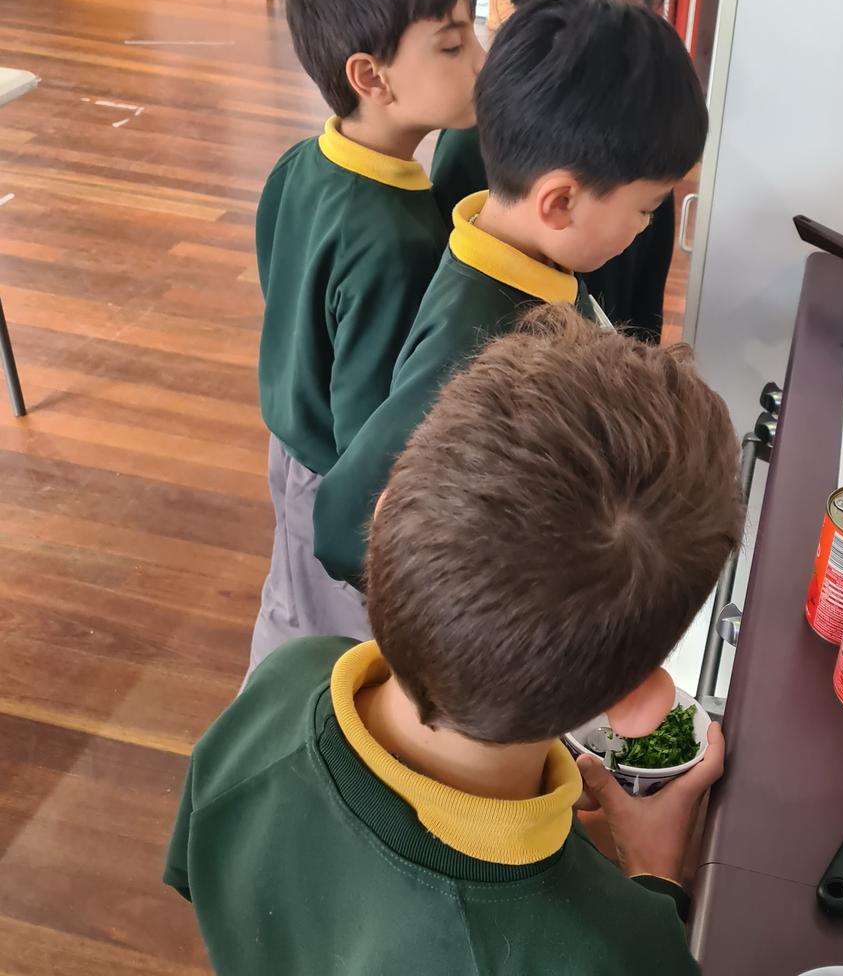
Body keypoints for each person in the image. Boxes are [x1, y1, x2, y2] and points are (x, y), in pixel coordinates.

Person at [165, 306, 745, 975]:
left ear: (383, 517)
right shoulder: (618, 949)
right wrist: (654, 878)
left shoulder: (280, 686)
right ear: (641, 706)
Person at [312, 0, 708, 582]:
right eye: (646, 209)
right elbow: (344, 525)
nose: (647, 227)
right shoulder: (474, 343)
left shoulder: (536, 261)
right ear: (560, 202)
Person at [249, 0, 485, 669]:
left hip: (289, 441)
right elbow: (369, 433)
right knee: (335, 648)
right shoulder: (397, 240)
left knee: (291, 600)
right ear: (371, 76)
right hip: (335, 479)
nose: (480, 60)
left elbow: (277, 275)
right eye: (453, 45)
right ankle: (289, 730)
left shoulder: (299, 162)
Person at [431, 0, 677, 343]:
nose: (592, 51)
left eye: (619, 24)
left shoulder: (647, 162)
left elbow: (641, 323)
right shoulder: (469, 143)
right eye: (567, 18)